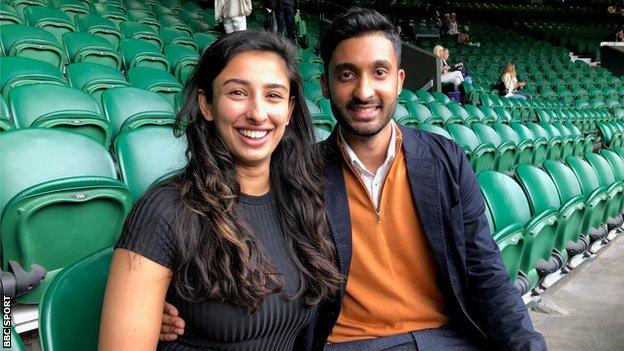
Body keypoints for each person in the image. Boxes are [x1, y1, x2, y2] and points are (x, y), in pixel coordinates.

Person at [160, 8, 547, 351]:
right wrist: (173, 303)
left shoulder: (446, 161)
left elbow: (485, 272)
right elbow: (226, 224)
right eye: (347, 74)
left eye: (378, 73)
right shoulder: (296, 171)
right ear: (326, 85)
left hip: (443, 339)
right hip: (348, 343)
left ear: (398, 80)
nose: (364, 91)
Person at [99, 30, 341, 351]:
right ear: (207, 105)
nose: (258, 113)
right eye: (238, 93)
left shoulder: (301, 200)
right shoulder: (165, 211)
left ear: (290, 110)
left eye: (273, 95)